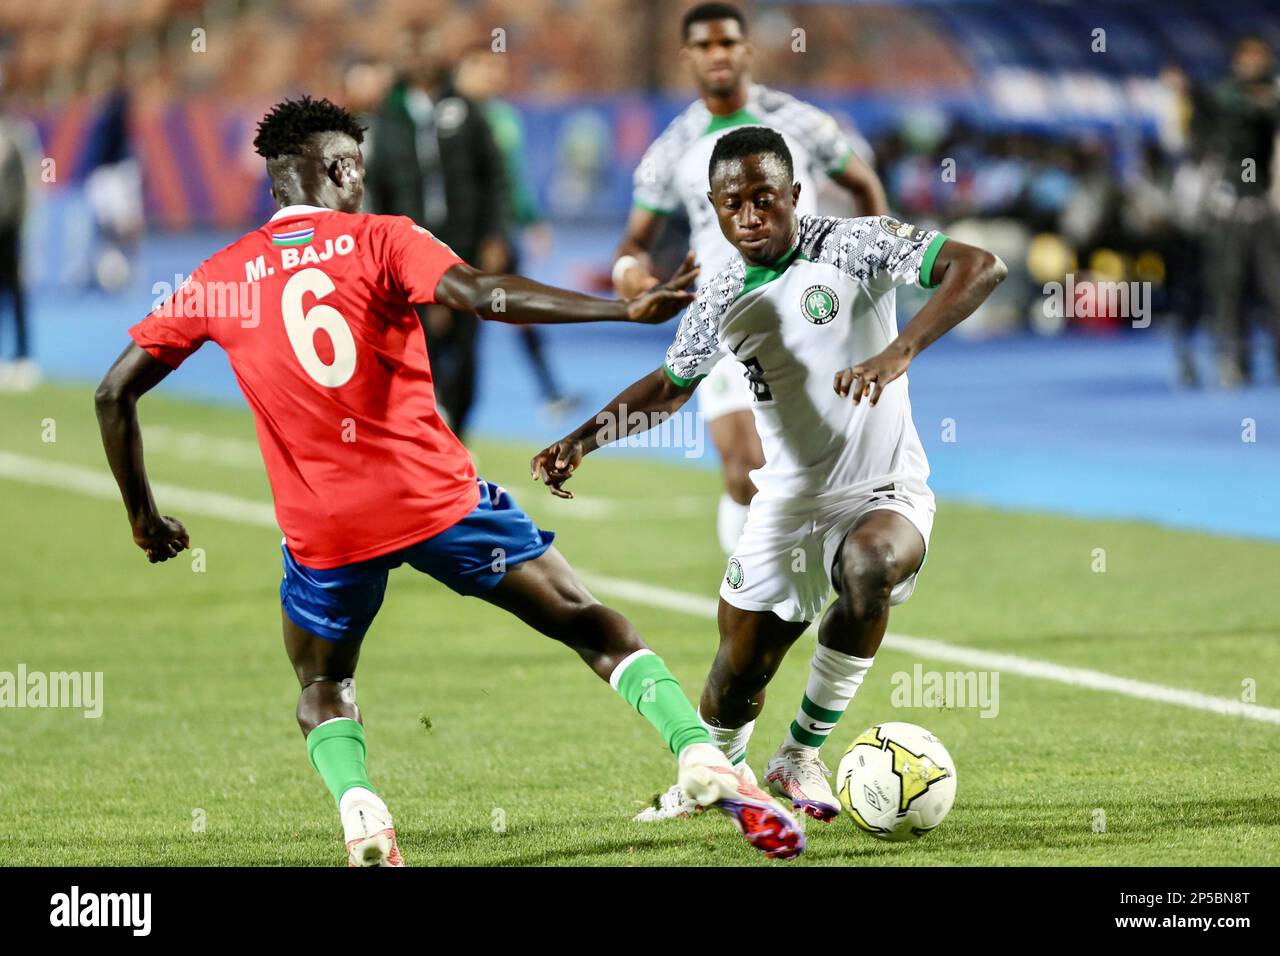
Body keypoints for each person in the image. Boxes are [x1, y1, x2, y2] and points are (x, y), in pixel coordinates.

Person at [95, 96, 805, 865]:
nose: (361, 184)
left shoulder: (222, 275)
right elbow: (483, 295)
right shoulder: (384, 240)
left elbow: (113, 393)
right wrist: (617, 308)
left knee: (323, 682)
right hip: (437, 502)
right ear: (339, 169)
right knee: (592, 626)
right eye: (357, 171)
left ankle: (361, 810)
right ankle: (699, 754)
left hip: (327, 529)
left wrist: (144, 518)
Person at [534, 127, 1006, 822]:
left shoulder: (858, 243)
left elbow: (982, 266)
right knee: (738, 673)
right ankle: (718, 778)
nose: (751, 216)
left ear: (794, 193)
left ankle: (800, 753)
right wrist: (583, 439)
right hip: (788, 504)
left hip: (885, 490)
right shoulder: (721, 295)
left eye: (765, 198)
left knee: (870, 567)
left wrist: (899, 351)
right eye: (734, 205)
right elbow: (669, 387)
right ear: (715, 208)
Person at [612, 2, 888, 555]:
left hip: (813, 312)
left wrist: (869, 277)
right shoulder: (672, 148)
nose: (719, 55)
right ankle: (749, 597)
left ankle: (809, 581)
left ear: (747, 50)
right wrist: (631, 276)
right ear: (686, 56)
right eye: (706, 46)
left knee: (814, 470)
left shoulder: (800, 122)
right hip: (728, 315)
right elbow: (633, 242)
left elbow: (863, 186)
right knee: (746, 470)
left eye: (729, 43)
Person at [366, 30, 511, 433]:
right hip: (408, 254)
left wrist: (495, 235)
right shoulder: (388, 117)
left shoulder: (466, 110)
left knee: (465, 349)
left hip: (464, 248)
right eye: (412, 48)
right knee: (417, 346)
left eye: (428, 46)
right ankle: (424, 433)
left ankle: (458, 430)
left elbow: (495, 176)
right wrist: (381, 249)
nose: (420, 57)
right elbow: (376, 187)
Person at [454, 45, 575, 416]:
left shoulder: (505, 118)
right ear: (464, 70)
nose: (494, 75)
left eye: (498, 68)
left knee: (516, 309)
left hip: (500, 231)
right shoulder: (450, 116)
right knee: (458, 317)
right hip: (460, 232)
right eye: (485, 67)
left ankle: (550, 390)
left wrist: (530, 220)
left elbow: (512, 179)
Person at [1203, 35, 1280, 387]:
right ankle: (1233, 361)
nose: (1255, 64)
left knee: (1276, 290)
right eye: (1249, 57)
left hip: (1265, 207)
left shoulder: (1275, 94)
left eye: (1261, 57)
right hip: (1228, 207)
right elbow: (1221, 106)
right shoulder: (1223, 94)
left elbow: (1275, 110)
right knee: (1230, 288)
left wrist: (1259, 98)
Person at [0, 85, 40, 391]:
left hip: (9, 226)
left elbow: (28, 180)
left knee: (16, 290)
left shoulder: (16, 133)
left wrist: (26, 219)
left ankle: (24, 356)